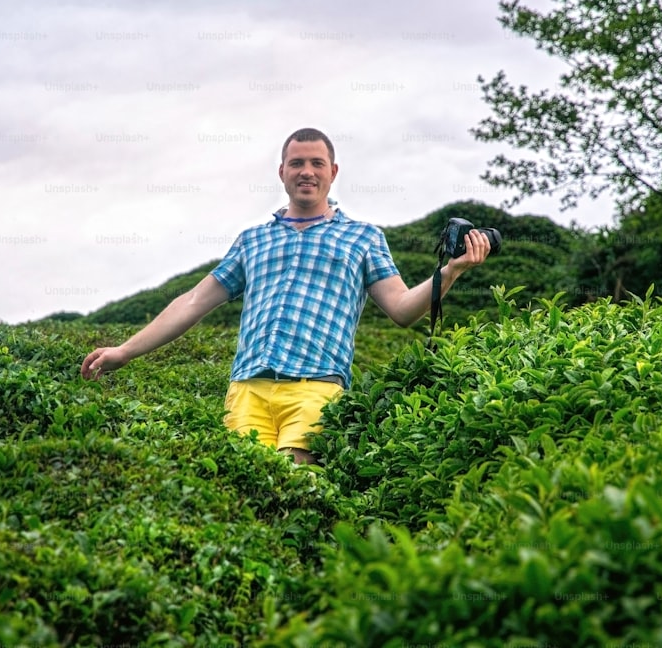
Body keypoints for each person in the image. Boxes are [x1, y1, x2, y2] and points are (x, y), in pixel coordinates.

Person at [80, 127, 490, 464]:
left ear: (333, 171)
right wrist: (125, 351)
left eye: (316, 163)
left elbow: (402, 309)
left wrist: (449, 272)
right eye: (297, 163)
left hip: (316, 388)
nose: (306, 171)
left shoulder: (363, 238)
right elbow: (192, 302)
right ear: (282, 172)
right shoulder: (252, 240)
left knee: (295, 489)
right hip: (246, 389)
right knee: (244, 491)